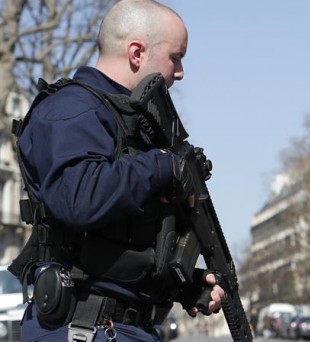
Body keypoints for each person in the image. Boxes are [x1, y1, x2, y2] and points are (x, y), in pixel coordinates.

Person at [11, 1, 226, 341]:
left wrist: (186, 286)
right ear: (137, 52)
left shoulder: (135, 126)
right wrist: (161, 164)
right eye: (176, 57)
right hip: (81, 327)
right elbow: (79, 198)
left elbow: (127, 242)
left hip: (126, 328)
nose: (181, 71)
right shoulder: (72, 109)